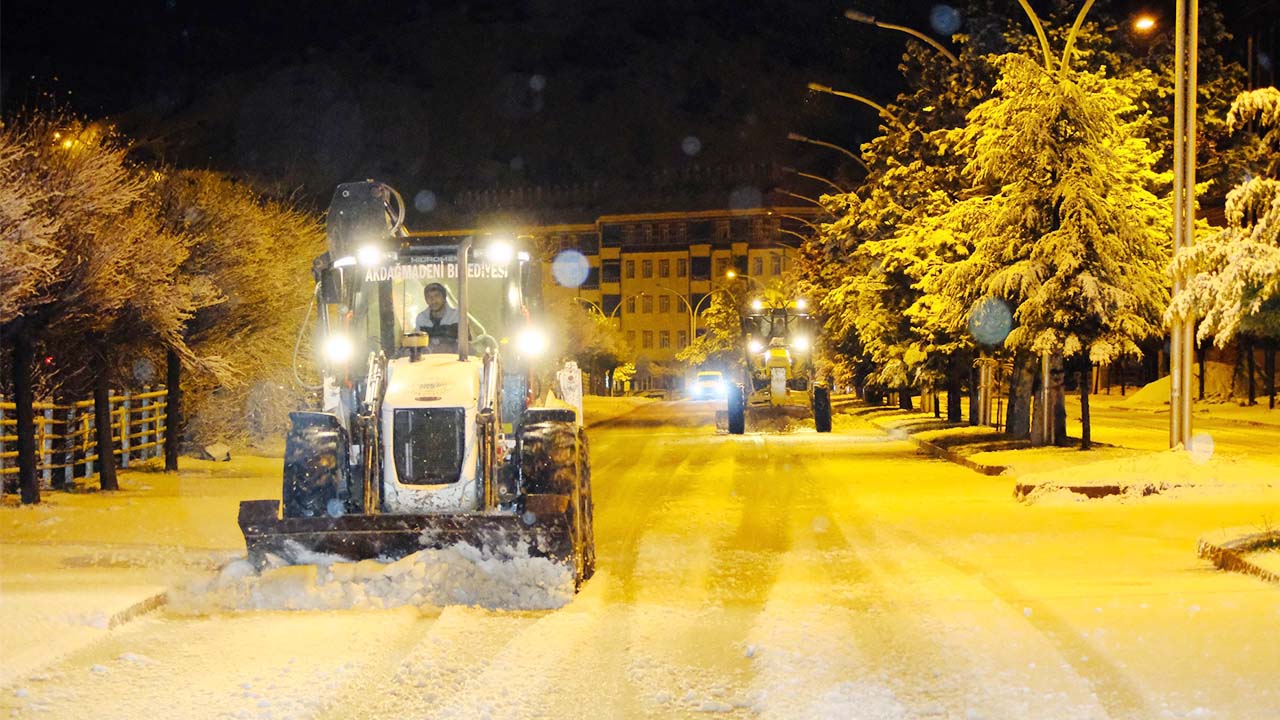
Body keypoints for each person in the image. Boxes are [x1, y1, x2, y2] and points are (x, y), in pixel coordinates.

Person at [415, 283, 460, 351]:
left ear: (444, 298)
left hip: (452, 359)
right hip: (428, 359)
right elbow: (418, 346)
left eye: (437, 296)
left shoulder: (457, 316)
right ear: (425, 300)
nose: (433, 300)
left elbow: (466, 346)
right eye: (429, 297)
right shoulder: (421, 318)